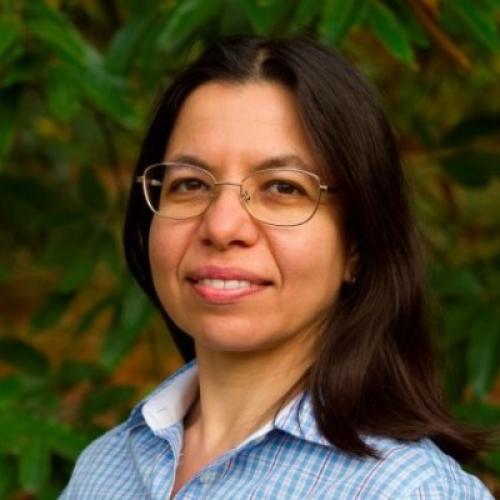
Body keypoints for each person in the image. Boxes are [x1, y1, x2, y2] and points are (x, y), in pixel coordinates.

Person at [61, 36, 494, 499]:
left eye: (283, 188)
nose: (221, 226)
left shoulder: (409, 491)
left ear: (357, 244)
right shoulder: (103, 467)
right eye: (190, 184)